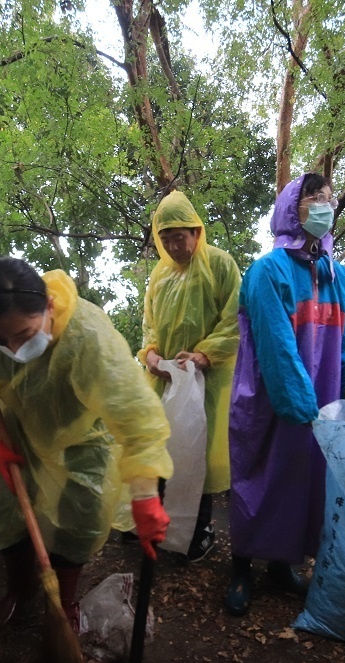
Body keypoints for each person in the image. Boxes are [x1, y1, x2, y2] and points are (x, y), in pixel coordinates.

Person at [0, 258, 173, 632]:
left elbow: (135, 416)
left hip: (82, 441)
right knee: (8, 516)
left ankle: (63, 604)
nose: (15, 348)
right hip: (17, 438)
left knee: (77, 522)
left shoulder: (88, 335)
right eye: (4, 338)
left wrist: (145, 492)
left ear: (48, 305)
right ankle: (20, 588)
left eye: (27, 335)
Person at [227, 173, 345, 617]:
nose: (324, 205)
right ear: (293, 208)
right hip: (271, 399)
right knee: (261, 478)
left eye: (329, 199)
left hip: (320, 402)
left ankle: (281, 564)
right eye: (314, 197)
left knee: (301, 482)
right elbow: (275, 345)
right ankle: (240, 567)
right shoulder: (266, 271)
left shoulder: (335, 274)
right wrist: (301, 407)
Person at [139, 191, 241, 562]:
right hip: (165, 380)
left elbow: (235, 320)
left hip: (206, 383)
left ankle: (200, 532)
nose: (173, 245)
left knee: (197, 454)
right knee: (162, 451)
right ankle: (160, 525)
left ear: (196, 232)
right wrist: (150, 354)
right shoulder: (159, 274)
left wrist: (203, 355)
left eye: (179, 236)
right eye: (165, 238)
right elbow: (149, 323)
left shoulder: (219, 265)